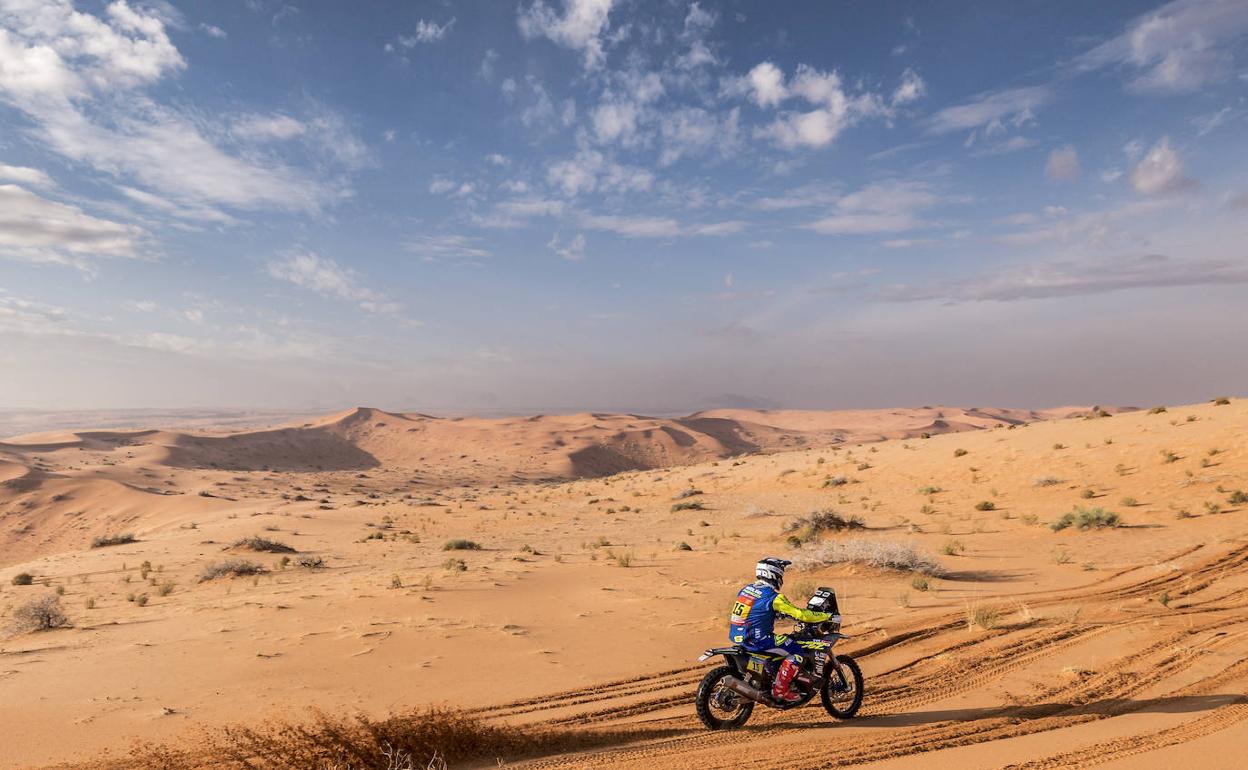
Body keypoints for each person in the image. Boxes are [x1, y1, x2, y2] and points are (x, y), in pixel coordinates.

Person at [728, 556, 833, 703]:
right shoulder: (774, 597)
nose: (781, 577)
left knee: (782, 644)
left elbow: (755, 611)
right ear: (773, 574)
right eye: (780, 573)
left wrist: (776, 614)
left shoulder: (746, 589)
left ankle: (772, 674)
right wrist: (824, 616)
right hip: (759, 641)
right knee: (796, 651)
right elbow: (801, 614)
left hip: (738, 636)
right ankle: (781, 690)